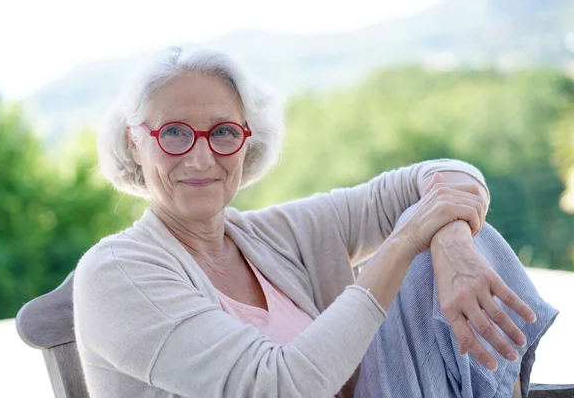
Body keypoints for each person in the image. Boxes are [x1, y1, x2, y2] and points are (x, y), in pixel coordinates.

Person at [73, 46, 557, 398]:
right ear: (135, 142)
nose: (201, 158)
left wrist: (451, 240)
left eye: (223, 132)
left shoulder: (272, 235)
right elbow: (277, 388)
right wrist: (409, 237)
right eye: (174, 132)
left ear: (249, 141)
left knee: (470, 235)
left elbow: (450, 175)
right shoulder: (116, 273)